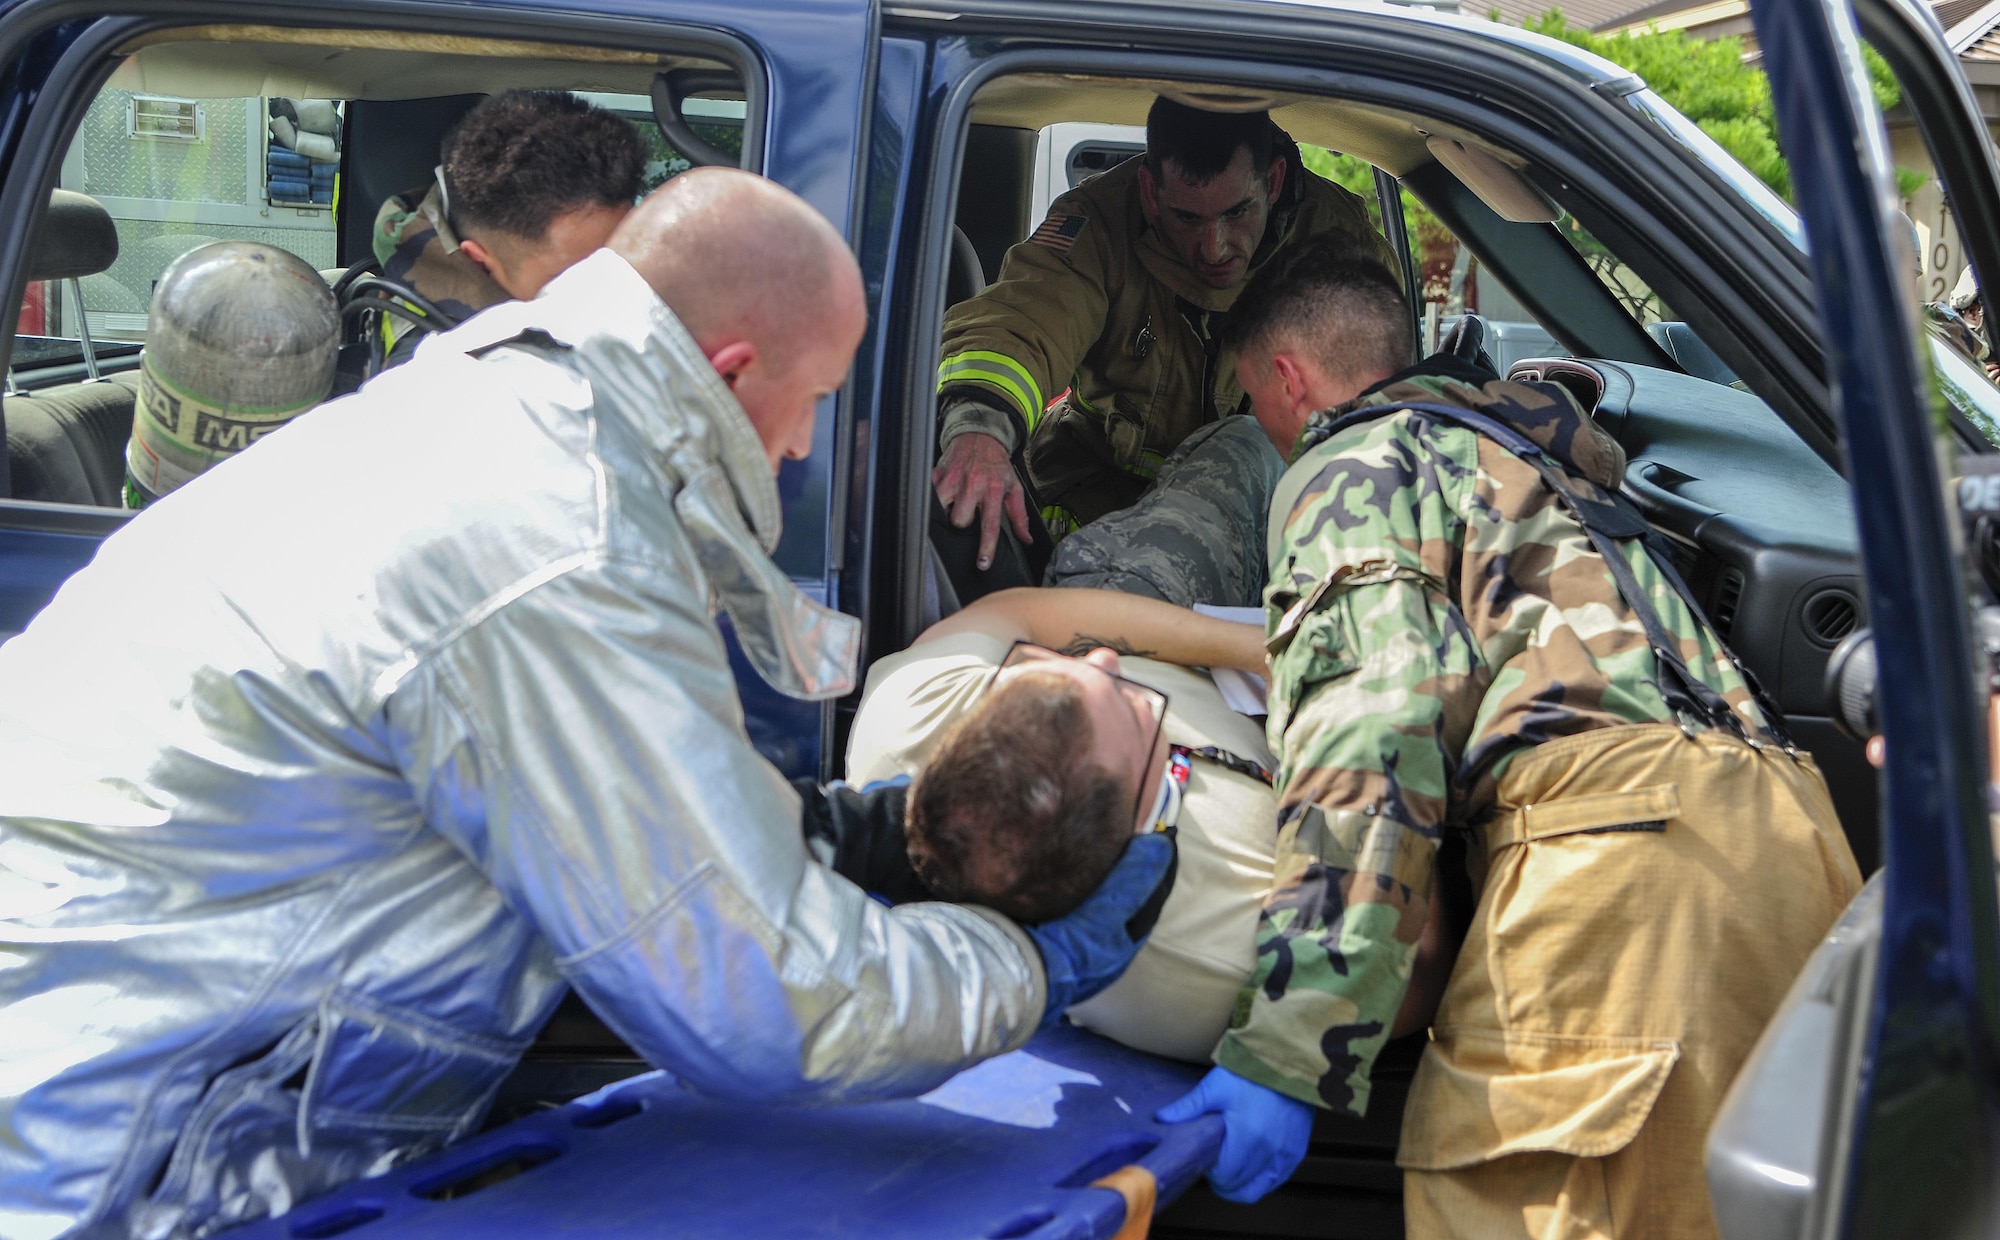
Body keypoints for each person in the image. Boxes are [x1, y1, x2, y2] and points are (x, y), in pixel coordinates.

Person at [0, 168, 1172, 1240]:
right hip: (111, 1152)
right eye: (813, 397)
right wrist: (1030, 969)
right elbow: (767, 1004)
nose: (808, 440)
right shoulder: (559, 536)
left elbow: (576, 789)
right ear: (726, 373)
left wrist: (837, 833)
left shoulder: (501, 418)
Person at [1213, 234, 1863, 1237]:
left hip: (1620, 878)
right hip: (1785, 849)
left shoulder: (1346, 460)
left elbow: (1372, 720)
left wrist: (1293, 1040)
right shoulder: (1512, 451)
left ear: (1286, 378)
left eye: (1251, 397)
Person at [839, 585, 1390, 1203]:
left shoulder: (916, 708)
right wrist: (1362, 764)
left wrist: (1265, 651)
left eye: (1057, 675)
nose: (1103, 660)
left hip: (1218, 631)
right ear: (1136, 839)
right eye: (1131, 710)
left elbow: (1028, 614)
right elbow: (1411, 963)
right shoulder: (1231, 963)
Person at [932, 96, 1400, 579]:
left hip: (1271, 526)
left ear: (1274, 181)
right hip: (1091, 506)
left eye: (1237, 212)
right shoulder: (1099, 224)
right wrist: (980, 433)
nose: (1215, 247)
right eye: (1188, 218)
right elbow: (1021, 319)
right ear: (1151, 194)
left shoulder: (1342, 243)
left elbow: (1378, 420)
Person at [368, 89, 644, 363]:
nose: (614, 291)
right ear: (479, 262)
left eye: (625, 260)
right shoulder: (447, 376)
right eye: (574, 279)